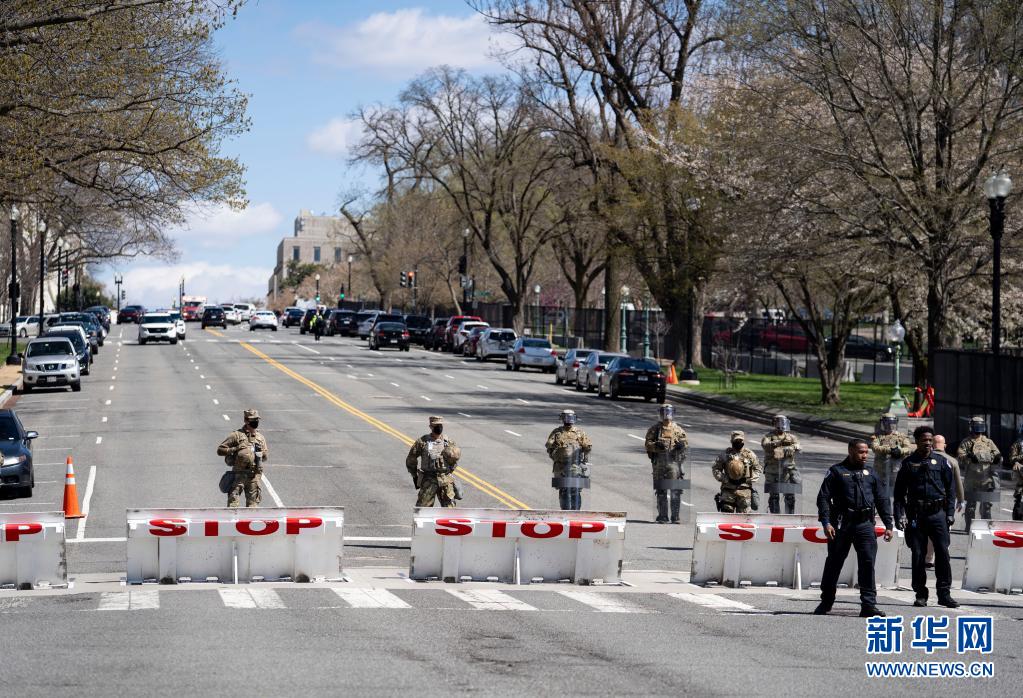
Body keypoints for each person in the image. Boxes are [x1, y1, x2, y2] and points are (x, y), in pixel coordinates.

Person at [814, 439, 894, 617]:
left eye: (866, 452)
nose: (864, 455)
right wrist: (826, 522)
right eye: (860, 452)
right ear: (850, 450)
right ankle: (826, 601)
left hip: (865, 525)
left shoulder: (871, 474)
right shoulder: (836, 472)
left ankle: (868, 605)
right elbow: (823, 499)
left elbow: (882, 500)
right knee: (834, 563)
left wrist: (889, 524)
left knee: (867, 564)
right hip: (842, 525)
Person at [893, 425, 959, 608]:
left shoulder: (941, 462)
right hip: (916, 515)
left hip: (938, 514)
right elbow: (899, 494)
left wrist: (951, 513)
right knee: (918, 555)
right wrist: (899, 515)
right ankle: (920, 593)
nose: (928, 443)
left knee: (943, 554)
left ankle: (944, 593)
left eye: (930, 440)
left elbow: (951, 490)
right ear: (917, 441)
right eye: (924, 440)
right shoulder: (908, 463)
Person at [956, 416, 1003, 531]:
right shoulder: (966, 442)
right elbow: (960, 455)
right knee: (971, 506)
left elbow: (998, 455)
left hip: (986, 479)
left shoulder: (988, 442)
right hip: (972, 479)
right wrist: (969, 457)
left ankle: (986, 528)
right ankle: (969, 528)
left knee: (986, 507)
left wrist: (996, 459)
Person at [644, 404, 688, 523]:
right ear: (660, 414)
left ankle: (675, 516)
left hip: (674, 464)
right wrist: (655, 445)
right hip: (659, 464)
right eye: (664, 412)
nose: (666, 415)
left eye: (669, 412)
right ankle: (663, 516)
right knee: (661, 491)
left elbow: (685, 444)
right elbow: (647, 444)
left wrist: (681, 445)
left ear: (673, 413)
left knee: (676, 491)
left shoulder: (678, 430)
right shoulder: (655, 429)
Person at [925, 435, 965, 567]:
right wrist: (961, 500)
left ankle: (929, 558)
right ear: (945, 445)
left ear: (932, 445)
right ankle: (943, 556)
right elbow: (958, 483)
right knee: (945, 529)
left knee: (930, 530)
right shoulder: (952, 461)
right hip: (947, 501)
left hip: (930, 500)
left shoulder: (926, 459)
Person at [216, 409, 269, 508]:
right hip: (238, 476)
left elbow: (265, 457)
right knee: (233, 506)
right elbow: (220, 450)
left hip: (254, 477)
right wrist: (234, 449)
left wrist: (261, 453)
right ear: (246, 420)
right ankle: (232, 523)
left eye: (257, 419)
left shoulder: (260, 438)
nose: (255, 422)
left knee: (253, 507)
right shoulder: (236, 435)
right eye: (252, 419)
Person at [405, 416, 461, 507]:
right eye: (436, 425)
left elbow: (455, 459)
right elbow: (411, 459)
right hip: (428, 480)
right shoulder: (423, 442)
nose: (439, 427)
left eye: (440, 425)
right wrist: (415, 475)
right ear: (430, 427)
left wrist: (449, 472)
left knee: (450, 511)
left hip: (445, 481)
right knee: (423, 511)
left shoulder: (448, 442)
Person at [545, 409, 592, 510]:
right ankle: (565, 512)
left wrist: (584, 458)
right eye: (566, 417)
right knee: (564, 490)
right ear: (562, 418)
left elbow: (588, 446)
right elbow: (549, 446)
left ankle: (576, 512)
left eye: (571, 417)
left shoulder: (579, 432)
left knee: (575, 490)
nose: (569, 420)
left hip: (575, 465)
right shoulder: (557, 432)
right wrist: (555, 457)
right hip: (560, 465)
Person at [712, 431, 762, 513]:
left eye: (740, 441)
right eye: (736, 441)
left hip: (744, 491)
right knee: (726, 516)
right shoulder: (725, 455)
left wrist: (751, 479)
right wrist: (724, 479)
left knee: (744, 519)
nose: (738, 442)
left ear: (743, 441)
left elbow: (758, 468)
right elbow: (716, 468)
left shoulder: (749, 455)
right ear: (732, 441)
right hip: (728, 490)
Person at [761, 415, 801, 513]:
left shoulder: (791, 437)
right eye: (778, 422)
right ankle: (775, 517)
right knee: (774, 496)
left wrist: (793, 447)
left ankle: (790, 517)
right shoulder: (768, 436)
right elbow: (765, 445)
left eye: (783, 422)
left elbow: (798, 446)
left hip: (787, 470)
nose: (781, 425)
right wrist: (776, 443)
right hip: (772, 470)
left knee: (790, 496)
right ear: (774, 423)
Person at [868, 412, 913, 492]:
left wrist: (900, 451)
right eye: (886, 423)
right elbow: (874, 447)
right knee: (880, 489)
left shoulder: (901, 436)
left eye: (891, 423)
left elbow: (908, 448)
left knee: (897, 489)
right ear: (882, 424)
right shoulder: (878, 436)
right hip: (880, 468)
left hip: (896, 468)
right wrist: (890, 450)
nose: (889, 426)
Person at [1010, 424, 1023, 521]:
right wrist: (1020, 458)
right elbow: (1012, 458)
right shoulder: (1018, 444)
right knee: (1019, 500)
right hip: (1021, 476)